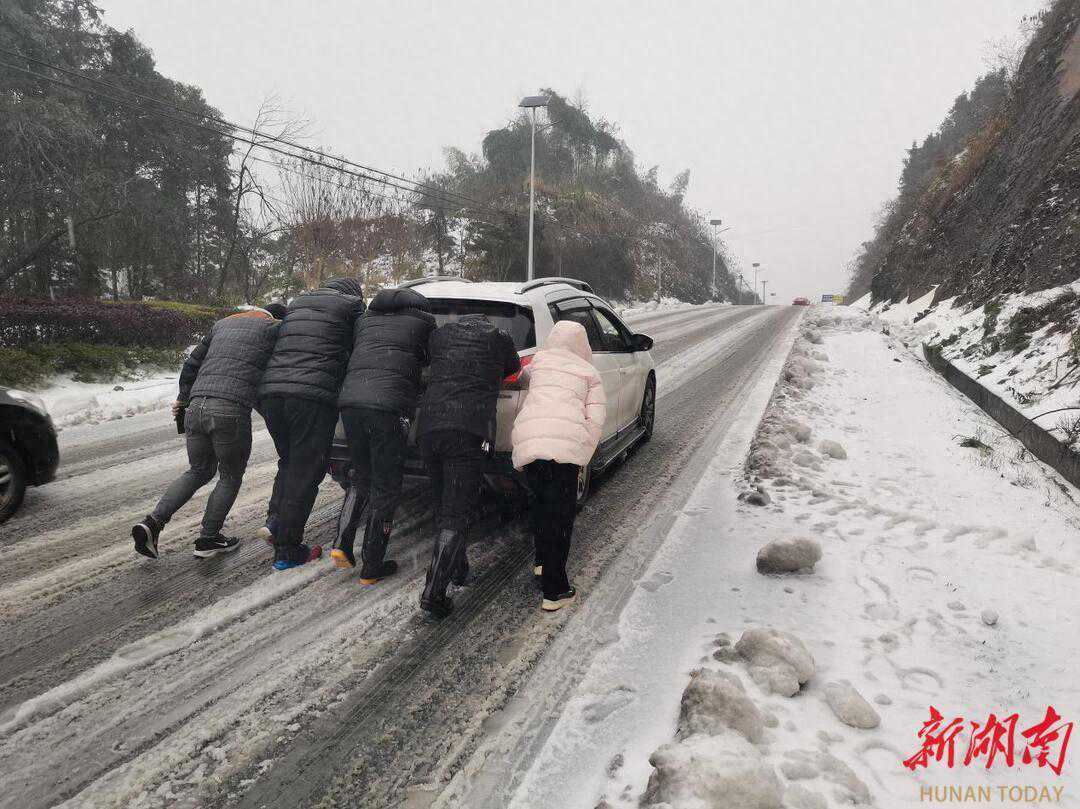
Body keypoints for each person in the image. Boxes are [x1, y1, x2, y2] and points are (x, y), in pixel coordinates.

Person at [132, 308, 281, 559]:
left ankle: (153, 522)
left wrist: (182, 400)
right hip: (228, 410)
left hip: (196, 405)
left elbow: (191, 365)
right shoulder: (274, 329)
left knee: (198, 470)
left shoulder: (222, 325)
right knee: (230, 475)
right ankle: (208, 538)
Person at [258, 277, 365, 570]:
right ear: (353, 294)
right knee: (306, 471)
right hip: (311, 396)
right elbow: (362, 346)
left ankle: (276, 521)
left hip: (272, 394)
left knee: (290, 460)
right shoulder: (353, 306)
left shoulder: (297, 303)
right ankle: (287, 550)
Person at [417, 314, 520, 618]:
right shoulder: (498, 337)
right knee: (456, 513)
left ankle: (458, 569)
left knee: (444, 505)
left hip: (429, 428)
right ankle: (434, 592)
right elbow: (513, 368)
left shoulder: (441, 336)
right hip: (466, 431)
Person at [333, 286, 436, 582]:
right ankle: (372, 565)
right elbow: (430, 361)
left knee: (361, 477)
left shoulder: (364, 321)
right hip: (389, 408)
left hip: (351, 404)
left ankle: (342, 543)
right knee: (387, 486)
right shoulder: (423, 322)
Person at [511, 320, 605, 611]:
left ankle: (541, 564)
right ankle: (556, 590)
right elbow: (595, 420)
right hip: (564, 450)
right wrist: (581, 454)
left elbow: (520, 382)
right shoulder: (589, 373)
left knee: (540, 509)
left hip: (531, 445)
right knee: (560, 519)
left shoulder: (538, 364)